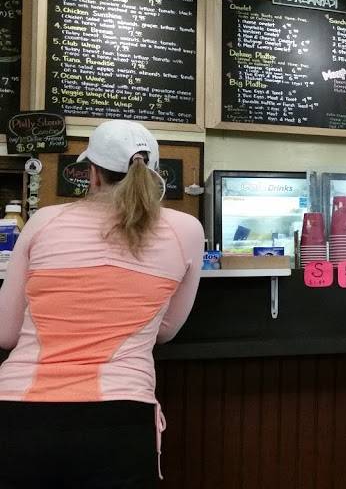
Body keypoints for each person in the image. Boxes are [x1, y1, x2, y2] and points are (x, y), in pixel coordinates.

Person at [0, 120, 204, 488]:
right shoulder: (185, 230)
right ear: (156, 172)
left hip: (18, 415)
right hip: (122, 420)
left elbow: (5, 333)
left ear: (92, 174)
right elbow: (166, 331)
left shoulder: (44, 221)